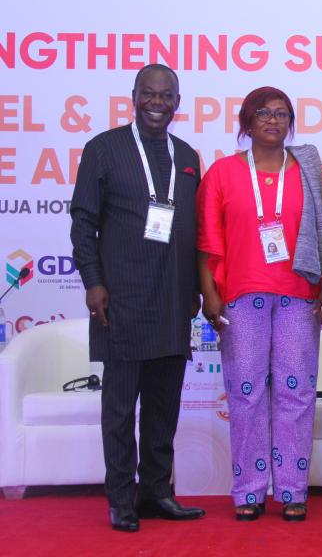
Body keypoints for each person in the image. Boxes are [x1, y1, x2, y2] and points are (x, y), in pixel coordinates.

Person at [70, 64, 205, 532]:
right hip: (121, 299)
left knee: (164, 407)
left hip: (173, 300)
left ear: (177, 102)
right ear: (133, 96)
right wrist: (93, 282)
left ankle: (156, 492)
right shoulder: (103, 149)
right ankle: (121, 498)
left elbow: (193, 228)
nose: (157, 103)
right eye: (149, 94)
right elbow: (83, 223)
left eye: (166, 96)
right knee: (120, 408)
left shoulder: (186, 155)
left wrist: (195, 288)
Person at [197, 86, 322, 522]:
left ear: (291, 123)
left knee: (296, 393)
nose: (273, 121)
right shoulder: (223, 172)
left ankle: (293, 490)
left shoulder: (311, 170)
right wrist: (209, 293)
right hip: (240, 296)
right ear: (247, 123)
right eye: (264, 114)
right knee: (246, 394)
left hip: (299, 295)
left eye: (282, 113)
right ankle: (248, 492)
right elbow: (207, 240)